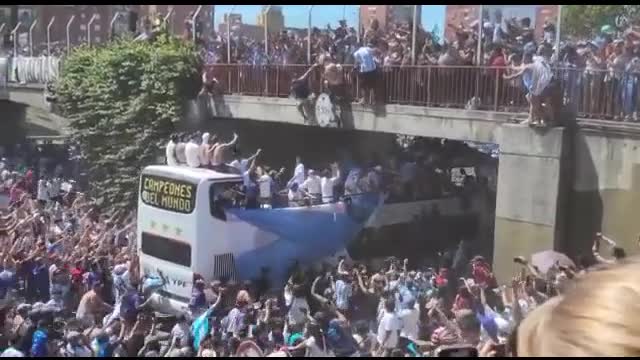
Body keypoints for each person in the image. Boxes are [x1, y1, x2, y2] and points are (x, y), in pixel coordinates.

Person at [353, 41, 379, 105]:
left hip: (364, 70)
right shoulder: (368, 49)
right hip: (373, 69)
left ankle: (364, 100)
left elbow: (356, 63)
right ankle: (373, 100)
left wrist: (354, 68)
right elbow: (375, 52)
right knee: (372, 86)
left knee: (363, 86)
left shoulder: (356, 53)